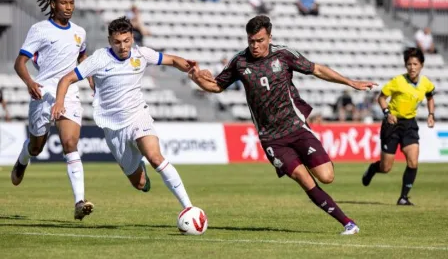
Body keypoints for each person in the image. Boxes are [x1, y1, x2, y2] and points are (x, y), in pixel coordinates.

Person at [189, 15, 377, 235]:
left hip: (296, 127)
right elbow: (216, 86)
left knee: (327, 176)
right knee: (303, 178)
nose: (255, 45)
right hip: (272, 138)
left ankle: (305, 162)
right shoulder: (239, 62)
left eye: (260, 40)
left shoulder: (284, 55)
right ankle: (348, 223)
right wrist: (196, 78)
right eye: (251, 41)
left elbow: (317, 69)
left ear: (269, 36)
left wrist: (350, 82)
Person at [51, 17, 198, 210]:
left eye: (127, 41)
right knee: (140, 184)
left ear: (132, 39)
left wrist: (192, 68)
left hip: (138, 116)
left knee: (155, 157)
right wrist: (59, 102)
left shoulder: (142, 54)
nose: (123, 46)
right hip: (112, 126)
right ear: (110, 41)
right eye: (117, 42)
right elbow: (66, 79)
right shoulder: (99, 59)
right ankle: (140, 171)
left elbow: (171, 60)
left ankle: (189, 208)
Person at [11, 0, 94, 220]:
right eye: (64, 3)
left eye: (71, 2)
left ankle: (79, 201)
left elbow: (82, 57)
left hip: (69, 92)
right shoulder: (40, 30)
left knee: (70, 143)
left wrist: (89, 76)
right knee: (37, 147)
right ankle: (24, 157)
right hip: (43, 92)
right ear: (53, 4)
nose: (69, 7)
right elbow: (20, 62)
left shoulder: (80, 32)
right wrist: (29, 82)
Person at [362, 48, 435, 206]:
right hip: (392, 124)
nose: (412, 67)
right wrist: (387, 112)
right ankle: (373, 169)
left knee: (413, 162)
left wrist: (431, 114)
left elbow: (430, 96)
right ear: (405, 65)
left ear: (421, 65)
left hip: (410, 124)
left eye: (415, 64)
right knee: (386, 167)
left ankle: (403, 198)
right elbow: (381, 98)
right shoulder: (397, 81)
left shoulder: (426, 83)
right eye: (409, 64)